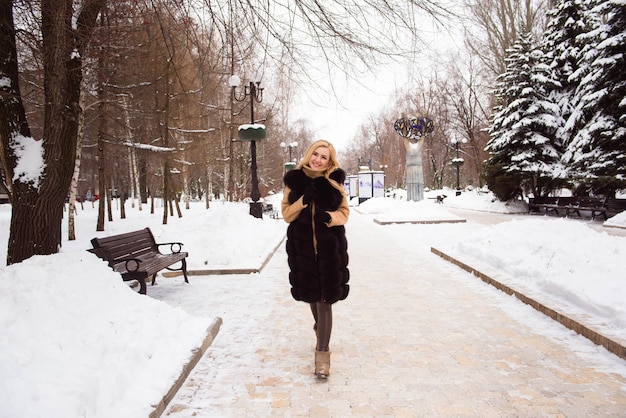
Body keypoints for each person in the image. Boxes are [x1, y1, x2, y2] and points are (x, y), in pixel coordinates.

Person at [281, 139, 350, 379]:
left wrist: (327, 217)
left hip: (329, 250)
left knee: (325, 300)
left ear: (330, 161)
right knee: (312, 296)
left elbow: (345, 213)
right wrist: (303, 200)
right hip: (303, 251)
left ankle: (322, 356)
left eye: (324, 157)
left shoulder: (334, 182)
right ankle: (320, 326)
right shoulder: (294, 180)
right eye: (316, 154)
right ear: (309, 154)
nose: (318, 160)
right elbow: (286, 215)